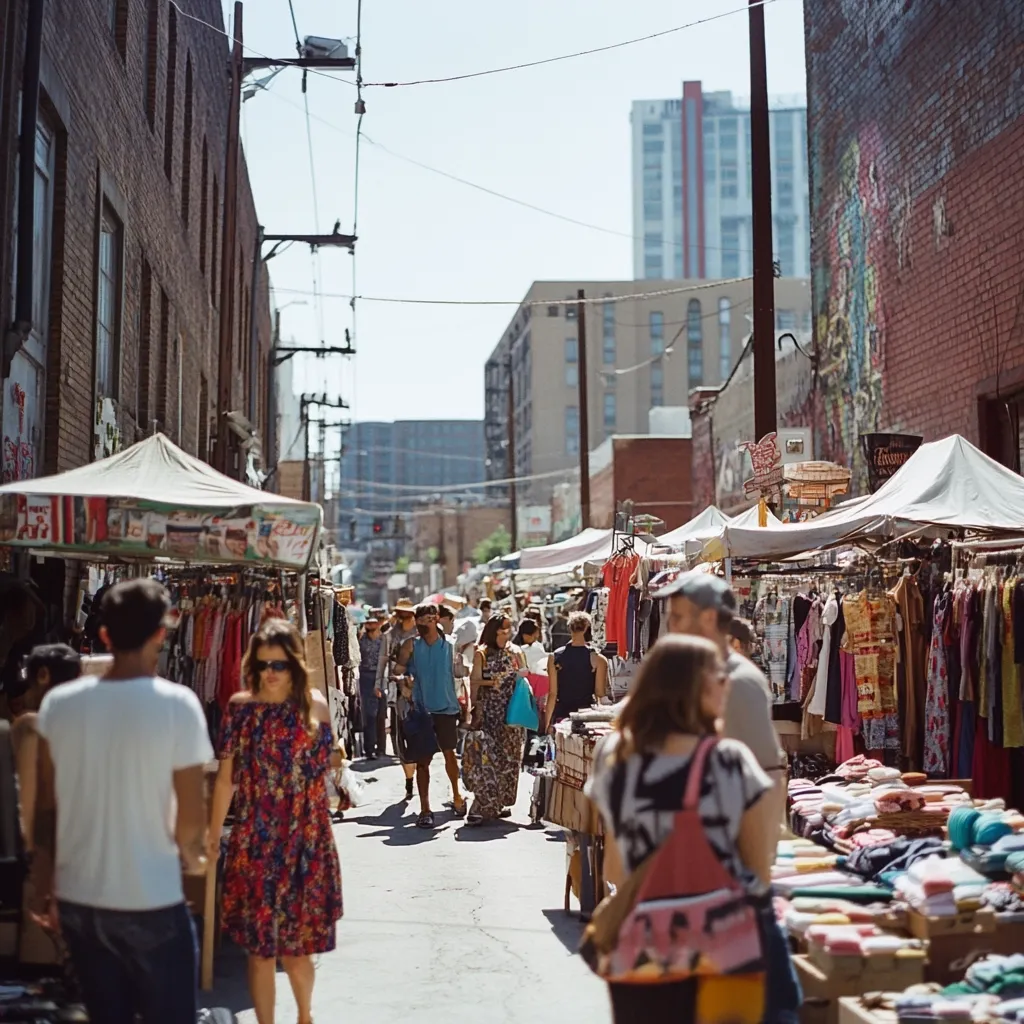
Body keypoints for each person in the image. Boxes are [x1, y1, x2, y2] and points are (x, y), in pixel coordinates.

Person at [30, 579, 212, 1024]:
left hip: (80, 899)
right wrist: (197, 861)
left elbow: (46, 809)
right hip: (150, 897)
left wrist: (42, 886)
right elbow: (191, 821)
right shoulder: (178, 705)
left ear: (105, 635)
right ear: (161, 634)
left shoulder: (59, 704)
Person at [585, 634, 777, 1024]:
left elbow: (616, 871)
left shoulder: (614, 754)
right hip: (723, 947)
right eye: (720, 677)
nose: (728, 685)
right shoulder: (729, 761)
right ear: (694, 688)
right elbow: (758, 872)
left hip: (644, 949)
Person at [654, 571, 799, 1024]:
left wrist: (755, 879)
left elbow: (767, 783)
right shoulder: (693, 679)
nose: (669, 627)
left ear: (709, 619)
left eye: (678, 617)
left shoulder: (736, 682)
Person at [208, 618, 343, 1024]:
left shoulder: (315, 707)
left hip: (306, 837)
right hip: (257, 838)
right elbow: (226, 779)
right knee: (259, 951)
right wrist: (213, 834)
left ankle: (305, 1015)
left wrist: (338, 766)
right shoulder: (240, 709)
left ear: (295, 666)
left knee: (297, 952)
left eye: (279, 665)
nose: (270, 673)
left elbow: (327, 767)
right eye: (263, 664)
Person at [393, 603, 467, 828]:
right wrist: (403, 681)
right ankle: (425, 808)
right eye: (419, 620)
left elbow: (460, 676)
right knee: (423, 761)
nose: (421, 624)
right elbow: (396, 671)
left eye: (425, 620)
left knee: (449, 755)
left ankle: (456, 796)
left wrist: (468, 705)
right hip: (422, 710)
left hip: (446, 708)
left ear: (435, 619)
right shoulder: (410, 645)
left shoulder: (451, 646)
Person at [10, 644, 81, 848]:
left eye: (29, 685)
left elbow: (26, 806)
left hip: (47, 853)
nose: (26, 695)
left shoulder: (31, 726)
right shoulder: (91, 727)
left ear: (42, 675)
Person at [464, 614, 527, 825]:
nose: (506, 633)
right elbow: (474, 681)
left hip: (512, 713)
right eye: (502, 629)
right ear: (494, 631)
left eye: (508, 629)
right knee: (486, 759)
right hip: (490, 712)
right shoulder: (482, 653)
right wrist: (473, 709)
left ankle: (498, 803)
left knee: (508, 760)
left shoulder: (515, 651)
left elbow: (524, 677)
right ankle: (478, 805)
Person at [378, 600, 418, 799]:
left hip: (420, 692)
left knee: (419, 736)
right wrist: (380, 684)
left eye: (407, 615)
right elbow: (383, 662)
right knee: (400, 736)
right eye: (401, 615)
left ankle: (417, 775)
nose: (404, 619)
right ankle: (409, 779)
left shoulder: (422, 635)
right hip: (398, 691)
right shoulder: (390, 636)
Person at [544, 611, 609, 731]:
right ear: (587, 629)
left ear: (569, 629)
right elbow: (600, 693)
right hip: (586, 716)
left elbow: (553, 693)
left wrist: (546, 724)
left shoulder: (554, 657)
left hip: (562, 716)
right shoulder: (598, 659)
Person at [514, 618, 549, 767]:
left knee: (526, 723)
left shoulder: (515, 649)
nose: (536, 637)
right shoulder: (533, 649)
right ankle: (536, 755)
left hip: (522, 688)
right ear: (526, 635)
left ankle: (527, 754)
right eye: (534, 634)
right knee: (537, 723)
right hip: (537, 687)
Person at [357, 613, 385, 759]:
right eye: (368, 624)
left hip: (381, 677)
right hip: (366, 677)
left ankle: (381, 748)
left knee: (381, 714)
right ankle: (369, 749)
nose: (370, 626)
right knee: (369, 714)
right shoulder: (361, 641)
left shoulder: (383, 641)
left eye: (373, 624)